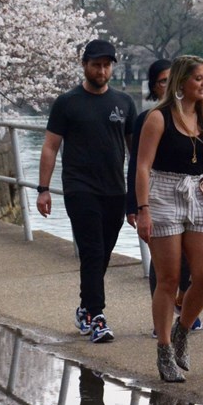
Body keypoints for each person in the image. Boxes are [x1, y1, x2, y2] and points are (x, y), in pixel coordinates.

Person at [36, 39, 136, 344]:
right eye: (96, 65)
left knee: (103, 252)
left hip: (114, 190)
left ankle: (84, 307)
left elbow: (136, 155)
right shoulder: (67, 103)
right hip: (80, 188)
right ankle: (96, 315)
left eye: (107, 65)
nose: (102, 70)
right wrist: (43, 189)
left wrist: (138, 197)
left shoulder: (124, 103)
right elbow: (51, 147)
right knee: (92, 250)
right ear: (84, 65)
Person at [134, 55, 203, 383]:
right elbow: (142, 165)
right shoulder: (158, 118)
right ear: (182, 82)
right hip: (164, 193)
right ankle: (163, 348)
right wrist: (142, 209)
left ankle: (182, 330)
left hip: (198, 192)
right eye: (198, 78)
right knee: (169, 278)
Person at [125, 59, 199, 332]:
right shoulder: (149, 118)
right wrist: (134, 204)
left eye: (173, 80)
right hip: (159, 197)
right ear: (154, 87)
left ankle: (186, 305)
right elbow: (138, 164)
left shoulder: (196, 115)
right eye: (162, 81)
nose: (169, 86)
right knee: (163, 264)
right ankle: (164, 319)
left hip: (192, 198)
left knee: (192, 260)